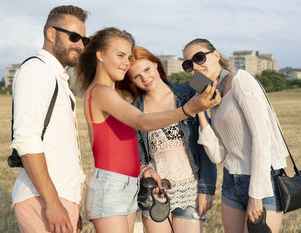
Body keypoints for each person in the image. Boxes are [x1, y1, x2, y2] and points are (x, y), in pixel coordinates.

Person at [74, 28, 220, 233]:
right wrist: (189, 110)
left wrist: (214, 64)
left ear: (156, 64)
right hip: (112, 186)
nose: (125, 62)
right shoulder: (103, 93)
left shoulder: (116, 94)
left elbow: (214, 84)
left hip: (129, 185)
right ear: (100, 55)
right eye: (120, 56)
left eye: (128, 57)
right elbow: (141, 122)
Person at [182, 38, 289, 233]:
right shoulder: (214, 94)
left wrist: (256, 195)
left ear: (216, 55)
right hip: (232, 179)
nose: (195, 67)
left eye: (199, 58)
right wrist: (200, 111)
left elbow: (262, 138)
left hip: (264, 179)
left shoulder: (240, 80)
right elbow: (218, 155)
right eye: (188, 65)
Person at [117, 46, 217, 233]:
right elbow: (135, 155)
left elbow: (205, 142)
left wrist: (207, 189)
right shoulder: (134, 110)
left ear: (155, 64)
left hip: (190, 190)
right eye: (136, 76)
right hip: (154, 193)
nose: (145, 79)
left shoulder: (189, 92)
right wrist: (144, 169)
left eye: (147, 69)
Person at [11, 5, 90, 233]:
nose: (80, 45)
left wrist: (71, 204)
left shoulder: (55, 75)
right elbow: (27, 140)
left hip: (60, 196)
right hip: (44, 198)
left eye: (84, 39)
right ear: (51, 34)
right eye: (73, 37)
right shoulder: (37, 71)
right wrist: (53, 203)